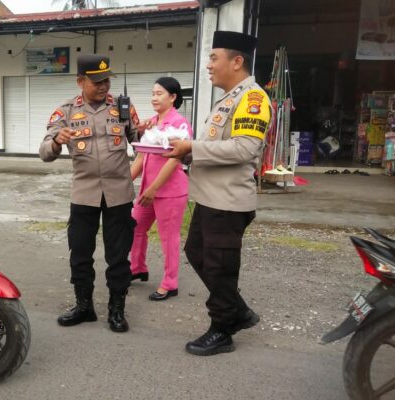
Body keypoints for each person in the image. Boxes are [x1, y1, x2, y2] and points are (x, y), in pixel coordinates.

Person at [164, 31, 270, 356]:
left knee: (221, 266)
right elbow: (218, 146)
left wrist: (191, 147)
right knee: (198, 254)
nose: (208, 65)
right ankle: (238, 311)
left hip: (227, 201)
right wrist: (188, 153)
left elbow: (245, 148)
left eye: (214, 58)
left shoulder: (252, 99)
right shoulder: (228, 98)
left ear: (237, 62)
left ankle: (223, 329)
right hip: (210, 198)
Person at [40, 54, 139, 333]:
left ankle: (117, 311)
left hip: (119, 195)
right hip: (84, 196)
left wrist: (146, 134)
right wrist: (57, 141)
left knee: (118, 257)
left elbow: (140, 141)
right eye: (96, 81)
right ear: (80, 81)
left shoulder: (123, 107)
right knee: (80, 253)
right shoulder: (67, 111)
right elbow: (44, 151)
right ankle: (84, 307)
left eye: (106, 80)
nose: (103, 86)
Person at [129, 77, 190, 301]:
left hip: (169, 192)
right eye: (153, 93)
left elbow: (176, 160)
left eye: (159, 93)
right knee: (134, 227)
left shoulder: (180, 124)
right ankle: (137, 268)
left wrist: (154, 188)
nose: (154, 97)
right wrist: (126, 181)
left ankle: (170, 283)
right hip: (148, 190)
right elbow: (142, 156)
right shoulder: (152, 122)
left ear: (173, 97)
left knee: (168, 237)